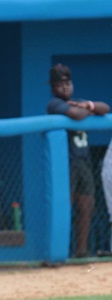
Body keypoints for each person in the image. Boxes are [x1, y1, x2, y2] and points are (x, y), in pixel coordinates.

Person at [47, 63, 110, 258]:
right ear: (53, 87)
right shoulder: (54, 104)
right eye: (60, 84)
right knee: (65, 207)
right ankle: (60, 253)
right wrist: (87, 111)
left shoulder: (78, 101)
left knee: (86, 207)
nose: (65, 87)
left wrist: (89, 106)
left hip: (83, 162)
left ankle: (81, 252)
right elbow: (75, 114)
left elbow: (105, 107)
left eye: (67, 83)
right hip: (65, 164)